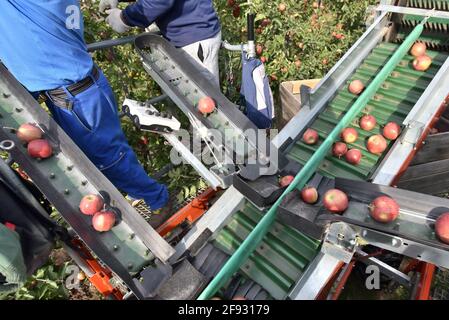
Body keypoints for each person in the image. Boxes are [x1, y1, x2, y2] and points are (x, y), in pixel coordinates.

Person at [0, 1, 168, 213]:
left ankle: (157, 201)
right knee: (106, 155)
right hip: (75, 90)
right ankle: (144, 198)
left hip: (75, 95)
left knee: (108, 158)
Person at [100, 0, 222, 87]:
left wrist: (124, 18)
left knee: (206, 109)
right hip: (193, 33)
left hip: (194, 40)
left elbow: (158, 2)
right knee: (201, 104)